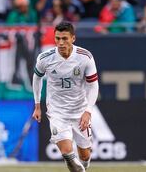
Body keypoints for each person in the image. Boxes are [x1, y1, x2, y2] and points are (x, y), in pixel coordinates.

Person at [32, 21, 99, 172]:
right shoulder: (45, 58)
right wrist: (37, 105)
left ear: (73, 38)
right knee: (67, 153)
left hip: (80, 110)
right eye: (57, 38)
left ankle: (85, 167)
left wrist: (88, 111)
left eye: (65, 38)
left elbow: (93, 85)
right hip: (57, 112)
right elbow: (36, 78)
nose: (60, 43)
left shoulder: (85, 57)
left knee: (85, 155)